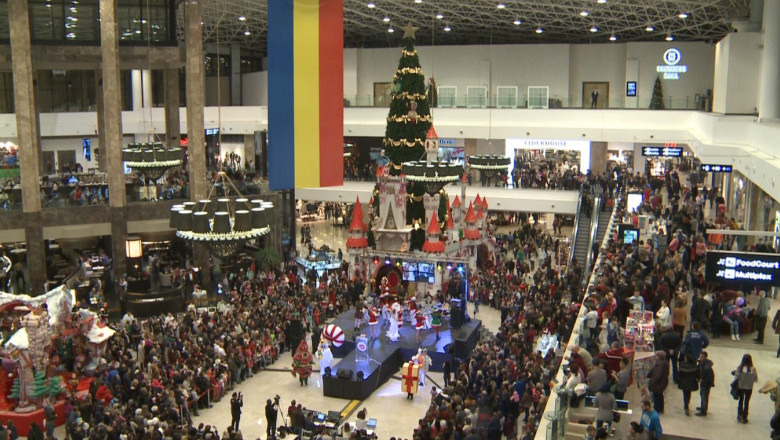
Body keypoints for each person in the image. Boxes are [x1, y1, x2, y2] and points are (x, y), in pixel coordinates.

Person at [733, 353, 758, 423]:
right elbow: (755, 379)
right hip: (749, 387)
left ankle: (739, 415)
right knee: (747, 402)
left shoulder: (740, 368)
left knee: (741, 400)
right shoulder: (753, 369)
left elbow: (737, 376)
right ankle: (745, 417)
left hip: (741, 386)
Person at [695, 351, 714, 416]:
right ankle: (703, 407)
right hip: (703, 382)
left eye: (701, 357)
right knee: (702, 395)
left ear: (705, 358)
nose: (700, 358)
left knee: (704, 396)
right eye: (699, 357)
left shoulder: (706, 366)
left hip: (706, 383)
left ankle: (703, 411)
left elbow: (707, 376)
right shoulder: (702, 363)